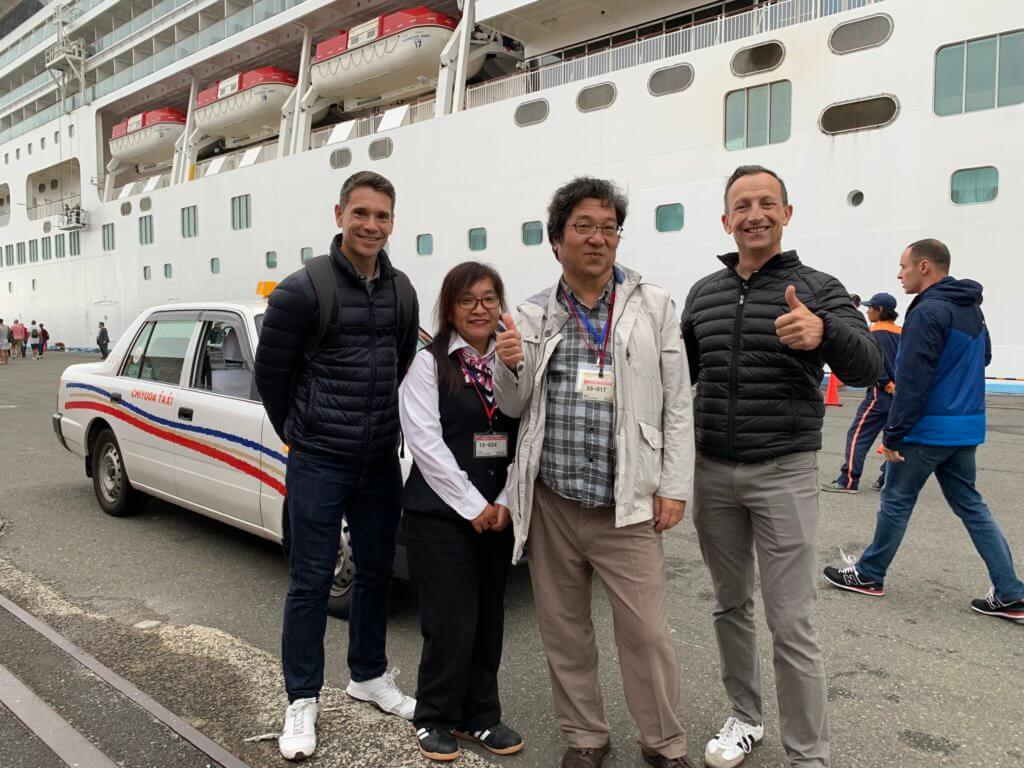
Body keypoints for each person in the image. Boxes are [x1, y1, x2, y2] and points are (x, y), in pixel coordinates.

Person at [681, 165, 881, 768]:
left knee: (791, 619)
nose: (755, 214)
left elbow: (869, 366)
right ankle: (745, 717)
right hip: (712, 470)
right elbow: (676, 378)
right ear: (726, 220)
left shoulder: (819, 287)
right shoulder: (703, 293)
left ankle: (807, 755)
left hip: (784, 470)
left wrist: (823, 333)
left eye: (767, 203)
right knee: (728, 604)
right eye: (742, 205)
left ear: (787, 213)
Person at [494, 177, 696, 768]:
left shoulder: (652, 305)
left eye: (608, 228)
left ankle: (663, 744)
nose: (597, 238)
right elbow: (514, 405)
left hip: (626, 503)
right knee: (565, 632)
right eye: (583, 226)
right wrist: (509, 366)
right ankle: (585, 737)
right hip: (554, 500)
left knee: (648, 636)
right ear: (556, 240)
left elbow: (678, 401)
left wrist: (675, 487)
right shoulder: (532, 313)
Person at [254, 171, 421, 761]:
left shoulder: (402, 291)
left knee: (376, 570)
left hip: (378, 458)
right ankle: (301, 699)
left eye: (381, 216)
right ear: (339, 215)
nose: (371, 225)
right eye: (361, 214)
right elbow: (270, 378)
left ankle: (368, 674)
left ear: (392, 222)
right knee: (310, 579)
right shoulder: (303, 291)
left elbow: (401, 362)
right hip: (320, 458)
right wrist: (299, 434)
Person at [823, 239, 1024, 623]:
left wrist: (894, 433)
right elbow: (984, 357)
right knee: (972, 505)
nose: (900, 275)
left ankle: (868, 574)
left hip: (927, 427)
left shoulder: (927, 310)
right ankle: (1011, 592)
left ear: (926, 267)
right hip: (966, 426)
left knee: (897, 500)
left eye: (904, 267)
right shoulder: (972, 309)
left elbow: (912, 377)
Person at [399, 262, 523, 762]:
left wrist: (506, 502)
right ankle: (434, 715)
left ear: (500, 305)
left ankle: (480, 716)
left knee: (489, 617)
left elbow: (526, 435)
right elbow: (424, 441)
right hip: (440, 514)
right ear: (449, 307)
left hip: (497, 510)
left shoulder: (511, 359)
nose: (479, 309)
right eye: (467, 300)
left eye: (489, 299)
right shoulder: (428, 363)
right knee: (449, 619)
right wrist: (473, 505)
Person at [821, 292, 901, 494]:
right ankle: (886, 479)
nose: (867, 311)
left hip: (880, 394)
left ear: (879, 310)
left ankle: (848, 480)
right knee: (894, 438)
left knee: (858, 435)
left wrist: (886, 384)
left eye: (870, 307)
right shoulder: (902, 333)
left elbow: (877, 364)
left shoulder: (873, 333)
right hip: (901, 397)